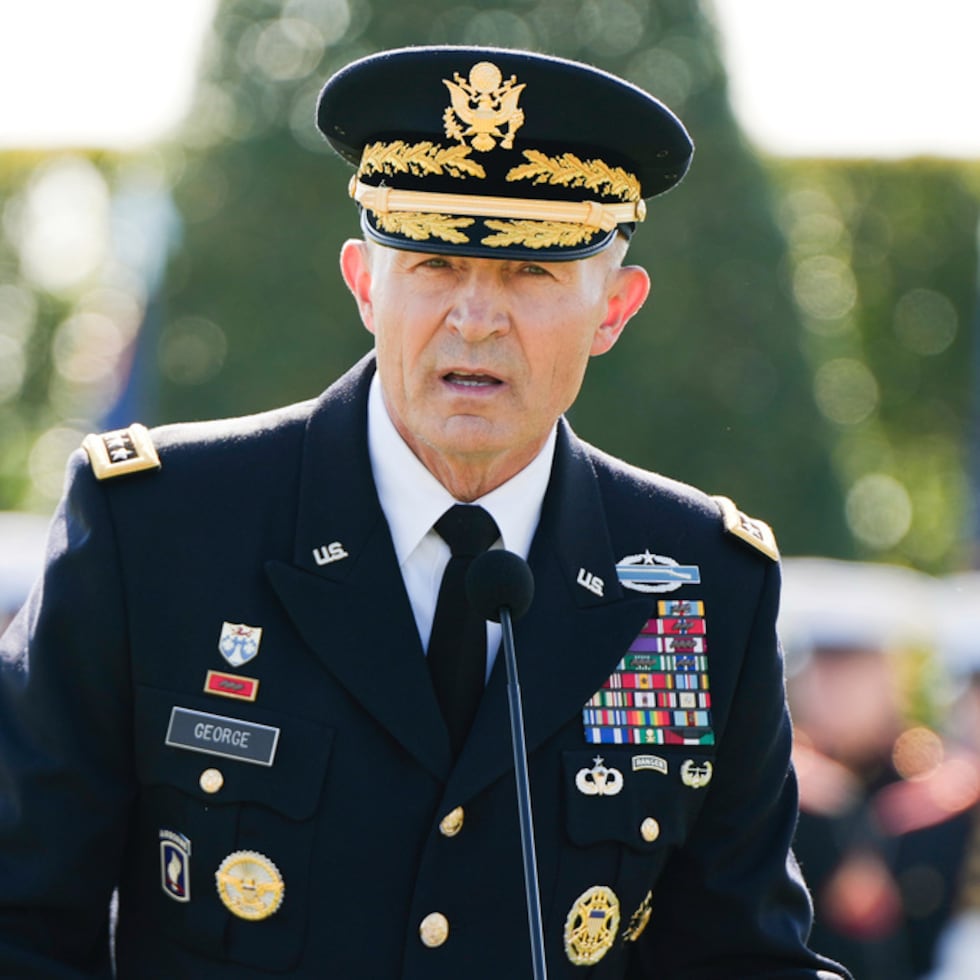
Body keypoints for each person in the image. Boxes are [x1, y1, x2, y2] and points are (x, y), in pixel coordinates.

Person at [0, 46, 850, 978]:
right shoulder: (159, 530)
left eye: (533, 275)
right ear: (366, 283)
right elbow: (23, 918)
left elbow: (744, 956)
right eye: (436, 262)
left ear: (615, 310)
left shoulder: (696, 582)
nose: (477, 319)